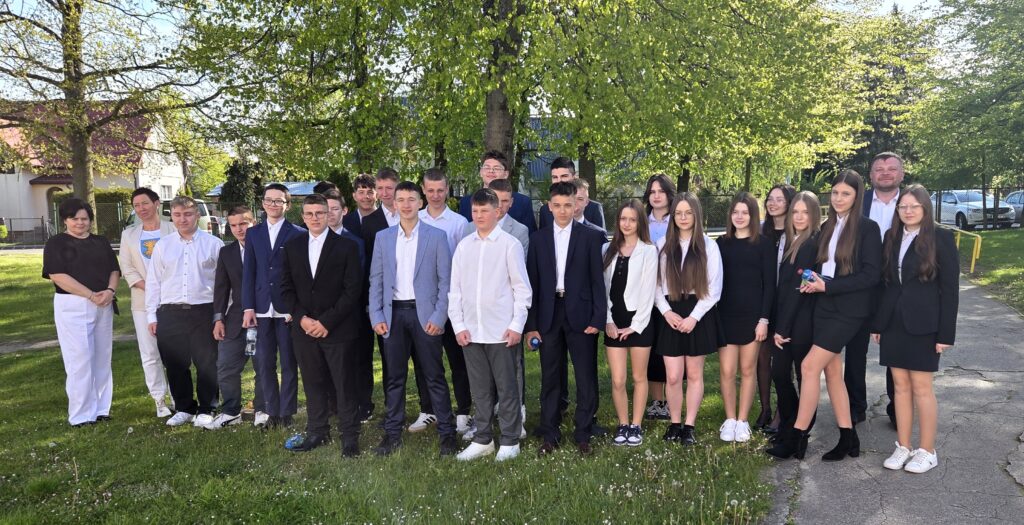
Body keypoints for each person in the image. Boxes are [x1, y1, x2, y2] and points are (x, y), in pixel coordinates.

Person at [772, 170, 881, 461]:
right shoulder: (827, 227)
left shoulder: (868, 229)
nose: (839, 198)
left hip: (849, 311)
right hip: (823, 307)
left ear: (857, 196)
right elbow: (819, 268)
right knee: (832, 373)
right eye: (835, 193)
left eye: (846, 194)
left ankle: (796, 437)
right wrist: (813, 281)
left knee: (809, 367)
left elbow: (871, 275)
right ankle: (848, 438)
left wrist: (828, 285)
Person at [872, 184, 959, 474]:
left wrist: (945, 334)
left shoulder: (941, 238)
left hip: (925, 325)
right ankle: (904, 446)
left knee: (922, 388)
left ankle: (927, 451)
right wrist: (879, 323)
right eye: (903, 206)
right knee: (899, 387)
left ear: (925, 208)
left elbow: (950, 290)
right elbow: (886, 285)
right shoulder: (891, 236)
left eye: (914, 206)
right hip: (893, 323)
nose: (908, 211)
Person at [369, 181, 459, 457]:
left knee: (434, 376)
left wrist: (439, 316)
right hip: (393, 315)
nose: (406, 205)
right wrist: (376, 315)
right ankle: (392, 434)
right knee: (394, 378)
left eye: (411, 199)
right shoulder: (383, 238)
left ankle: (447, 434)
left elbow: (446, 282)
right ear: (394, 204)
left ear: (420, 203)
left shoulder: (436, 236)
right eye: (401, 200)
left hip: (426, 315)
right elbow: (376, 280)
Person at [449, 188, 533, 461]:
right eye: (475, 211)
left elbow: (522, 289)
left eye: (484, 211)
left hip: (501, 331)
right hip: (471, 331)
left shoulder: (510, 244)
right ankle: (483, 438)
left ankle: (510, 439)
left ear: (497, 211)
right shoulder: (464, 246)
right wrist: (458, 325)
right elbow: (455, 290)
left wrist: (517, 325)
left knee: (507, 388)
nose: (479, 216)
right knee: (480, 389)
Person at [525, 181, 606, 456]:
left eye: (568, 205)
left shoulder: (590, 237)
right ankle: (550, 432)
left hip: (581, 313)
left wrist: (598, 317)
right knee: (550, 376)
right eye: (557, 205)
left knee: (585, 375)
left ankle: (583, 431)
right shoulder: (538, 240)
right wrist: (532, 325)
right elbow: (533, 284)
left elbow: (597, 282)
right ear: (549, 206)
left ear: (576, 205)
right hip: (548, 314)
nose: (562, 210)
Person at [279, 194, 364, 455]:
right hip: (304, 330)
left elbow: (353, 290)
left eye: (319, 213)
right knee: (313, 382)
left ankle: (349, 436)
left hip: (337, 328)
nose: (314, 218)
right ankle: (317, 431)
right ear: (303, 217)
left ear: (329, 215)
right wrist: (302, 319)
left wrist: (326, 321)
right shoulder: (292, 247)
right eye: (309, 214)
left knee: (344, 384)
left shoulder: (347, 246)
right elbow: (285, 288)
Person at [146, 196, 225, 428]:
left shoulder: (214, 244)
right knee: (175, 363)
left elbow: (223, 284)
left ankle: (207, 407)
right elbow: (153, 282)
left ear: (197, 215)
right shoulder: (163, 245)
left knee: (206, 362)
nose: (183, 219)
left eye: (188, 214)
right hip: (170, 312)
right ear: (172, 216)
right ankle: (184, 408)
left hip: (204, 311)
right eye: (178, 215)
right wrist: (151, 315)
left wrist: (220, 316)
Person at [43, 198, 120, 427]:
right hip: (73, 305)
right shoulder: (56, 243)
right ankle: (81, 415)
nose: (80, 222)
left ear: (90, 220)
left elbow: (114, 270)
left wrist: (109, 291)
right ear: (65, 220)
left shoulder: (100, 242)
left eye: (84, 218)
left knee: (102, 357)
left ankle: (101, 408)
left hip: (103, 303)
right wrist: (90, 295)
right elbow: (58, 276)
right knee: (79, 360)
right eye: (74, 218)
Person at [655, 193, 723, 445]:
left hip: (698, 312)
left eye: (688, 213)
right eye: (678, 213)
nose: (683, 218)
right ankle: (674, 423)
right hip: (670, 311)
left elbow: (714, 288)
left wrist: (694, 317)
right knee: (673, 375)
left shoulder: (708, 246)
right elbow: (655, 284)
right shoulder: (663, 245)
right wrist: (666, 311)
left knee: (694, 374)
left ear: (696, 215)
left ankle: (689, 426)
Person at [242, 183, 305, 429]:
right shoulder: (253, 233)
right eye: (269, 200)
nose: (273, 204)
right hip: (260, 308)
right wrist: (248, 307)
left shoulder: (298, 233)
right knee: (264, 362)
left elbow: (300, 275)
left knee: (288, 362)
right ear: (263, 203)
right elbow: (249, 271)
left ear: (287, 205)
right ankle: (271, 410)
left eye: (279, 200)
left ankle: (287, 412)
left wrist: (295, 308)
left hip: (286, 308)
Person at [765, 192, 821, 458]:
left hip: (799, 324)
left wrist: (782, 329)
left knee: (801, 377)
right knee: (780, 375)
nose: (799, 217)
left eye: (805, 212)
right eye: (795, 212)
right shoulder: (793, 241)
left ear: (814, 215)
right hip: (785, 320)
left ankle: (798, 434)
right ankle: (790, 427)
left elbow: (799, 291)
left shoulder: (811, 244)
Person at [716, 193, 776, 443]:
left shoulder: (764, 244)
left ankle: (742, 421)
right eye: (735, 212)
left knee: (748, 369)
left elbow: (769, 285)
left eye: (745, 212)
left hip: (753, 317)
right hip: (726, 315)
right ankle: (730, 419)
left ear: (753, 216)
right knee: (727, 370)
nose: (739, 217)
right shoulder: (721, 244)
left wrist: (764, 319)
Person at [417, 168, 473, 434]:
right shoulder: (415, 219)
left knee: (458, 360)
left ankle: (463, 411)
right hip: (424, 302)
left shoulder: (459, 223)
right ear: (423, 190)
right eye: (430, 190)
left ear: (447, 190)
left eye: (440, 190)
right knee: (426, 361)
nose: (436, 195)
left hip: (452, 300)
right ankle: (428, 410)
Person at [602, 200, 658, 446]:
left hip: (639, 323)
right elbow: (602, 290)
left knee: (639, 376)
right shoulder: (607, 249)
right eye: (623, 219)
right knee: (617, 379)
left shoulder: (648, 251)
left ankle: (636, 425)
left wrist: (635, 325)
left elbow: (648, 291)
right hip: (613, 322)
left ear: (640, 222)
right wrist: (608, 321)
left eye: (632, 219)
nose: (627, 224)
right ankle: (623, 424)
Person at [859, 152, 906, 428]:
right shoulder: (859, 202)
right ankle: (855, 407)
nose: (885, 173)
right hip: (861, 285)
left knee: (895, 350)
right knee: (856, 350)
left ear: (901, 173)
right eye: (879, 169)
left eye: (891, 168)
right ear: (871, 175)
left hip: (897, 287)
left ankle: (897, 408)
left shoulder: (912, 202)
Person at [119, 187, 175, 417]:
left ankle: (179, 397)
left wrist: (165, 289)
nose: (141, 208)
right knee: (150, 353)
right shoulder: (129, 235)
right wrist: (150, 288)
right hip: (142, 302)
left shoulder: (173, 228)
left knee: (175, 353)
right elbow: (127, 268)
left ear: (156, 203)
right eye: (136, 205)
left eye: (145, 203)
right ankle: (159, 400)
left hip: (173, 300)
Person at [207, 206, 264, 429]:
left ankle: (262, 409)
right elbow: (221, 288)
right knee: (226, 366)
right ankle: (230, 412)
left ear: (253, 223)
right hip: (234, 321)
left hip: (262, 318)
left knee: (262, 366)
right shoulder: (227, 253)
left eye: (243, 224)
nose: (239, 229)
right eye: (233, 225)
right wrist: (218, 319)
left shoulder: (266, 248)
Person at [341, 174, 391, 421]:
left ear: (376, 194)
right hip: (354, 297)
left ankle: (393, 405)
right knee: (360, 353)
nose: (366, 196)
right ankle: (363, 401)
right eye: (361, 192)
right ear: (354, 195)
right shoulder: (346, 221)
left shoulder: (386, 220)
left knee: (388, 352)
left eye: (370, 191)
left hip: (381, 294)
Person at [756, 183, 796, 433]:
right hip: (763, 303)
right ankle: (764, 409)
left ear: (790, 203)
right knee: (762, 357)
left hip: (786, 303)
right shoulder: (761, 231)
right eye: (770, 199)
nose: (773, 203)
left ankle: (782, 413)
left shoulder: (795, 232)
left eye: (779, 199)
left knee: (782, 361)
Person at [642, 174, 675, 421]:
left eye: (661, 191)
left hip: (672, 292)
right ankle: (657, 401)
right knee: (651, 347)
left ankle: (673, 398)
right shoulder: (642, 222)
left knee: (671, 347)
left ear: (669, 194)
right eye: (652, 191)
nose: (656, 196)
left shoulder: (679, 220)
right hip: (645, 292)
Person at [458, 150, 538, 233]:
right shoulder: (466, 202)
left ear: (506, 174)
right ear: (481, 172)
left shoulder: (522, 203)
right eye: (487, 167)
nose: (491, 171)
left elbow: (531, 236)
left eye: (496, 168)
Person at [539, 157, 606, 230]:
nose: (559, 181)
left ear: (574, 176)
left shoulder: (594, 208)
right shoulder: (545, 210)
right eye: (555, 177)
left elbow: (600, 235)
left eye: (564, 176)